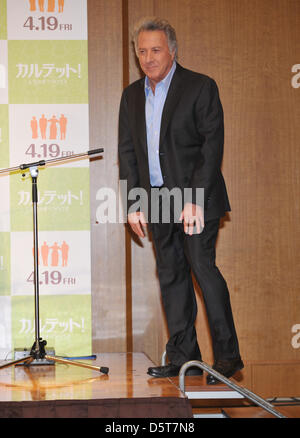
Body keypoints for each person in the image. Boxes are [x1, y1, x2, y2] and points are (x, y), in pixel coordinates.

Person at [118, 17, 243, 384]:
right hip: (156, 199)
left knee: (202, 269)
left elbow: (211, 146)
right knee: (171, 275)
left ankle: (228, 357)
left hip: (194, 198)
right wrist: (133, 202)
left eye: (155, 50)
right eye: (142, 51)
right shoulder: (131, 96)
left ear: (172, 50)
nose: (148, 58)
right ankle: (183, 356)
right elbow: (128, 153)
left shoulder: (200, 87)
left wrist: (196, 198)